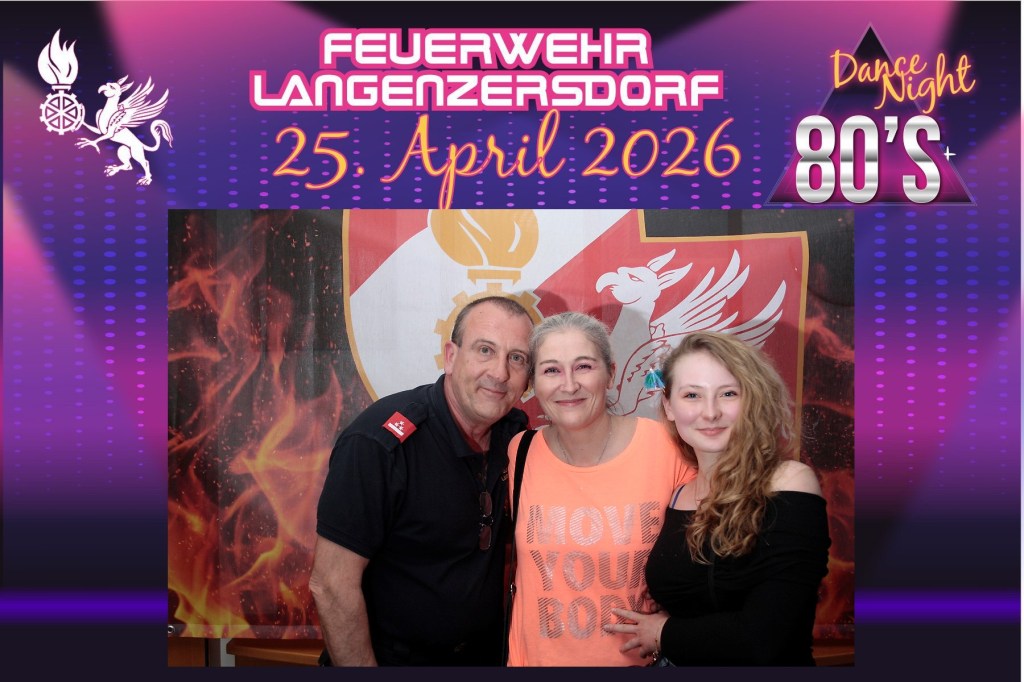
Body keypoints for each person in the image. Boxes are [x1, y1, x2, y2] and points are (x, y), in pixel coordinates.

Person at [309, 296, 534, 666]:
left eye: (517, 358)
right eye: (485, 350)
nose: (500, 372)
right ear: (451, 356)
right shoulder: (378, 445)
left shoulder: (517, 438)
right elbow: (331, 584)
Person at [603, 331, 831, 665]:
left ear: (752, 399)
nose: (710, 412)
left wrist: (664, 633)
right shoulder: (679, 495)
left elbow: (764, 637)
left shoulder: (789, 482)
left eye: (727, 393)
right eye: (692, 395)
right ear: (669, 405)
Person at [505, 312, 695, 667]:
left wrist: (673, 626)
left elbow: (715, 560)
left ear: (610, 373)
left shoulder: (665, 446)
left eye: (584, 366)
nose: (569, 385)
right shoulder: (521, 451)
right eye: (551, 370)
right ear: (533, 382)